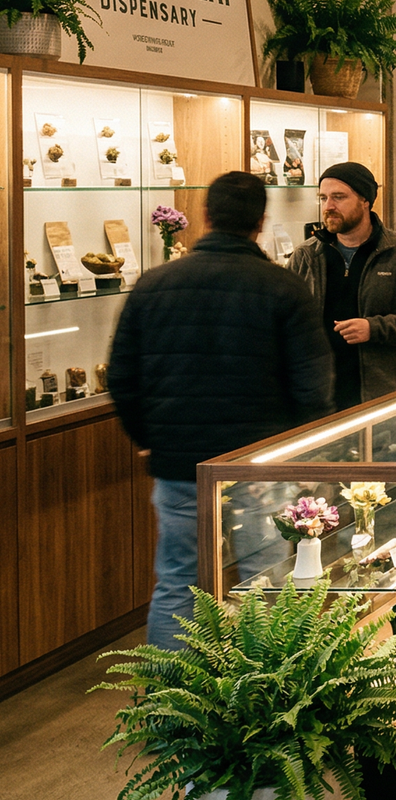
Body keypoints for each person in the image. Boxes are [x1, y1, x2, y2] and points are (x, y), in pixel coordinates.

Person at [107, 172, 333, 647]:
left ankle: (170, 703)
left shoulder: (154, 285)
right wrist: (302, 453)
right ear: (261, 221)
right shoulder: (283, 288)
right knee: (264, 578)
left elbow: (122, 379)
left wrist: (149, 440)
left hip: (179, 465)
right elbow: (313, 388)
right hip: (260, 464)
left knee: (176, 584)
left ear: (206, 217)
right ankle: (266, 695)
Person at [289, 161, 396, 414]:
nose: (328, 206)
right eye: (324, 198)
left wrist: (374, 328)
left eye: (339, 197)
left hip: (384, 403)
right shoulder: (306, 257)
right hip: (319, 404)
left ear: (366, 200)